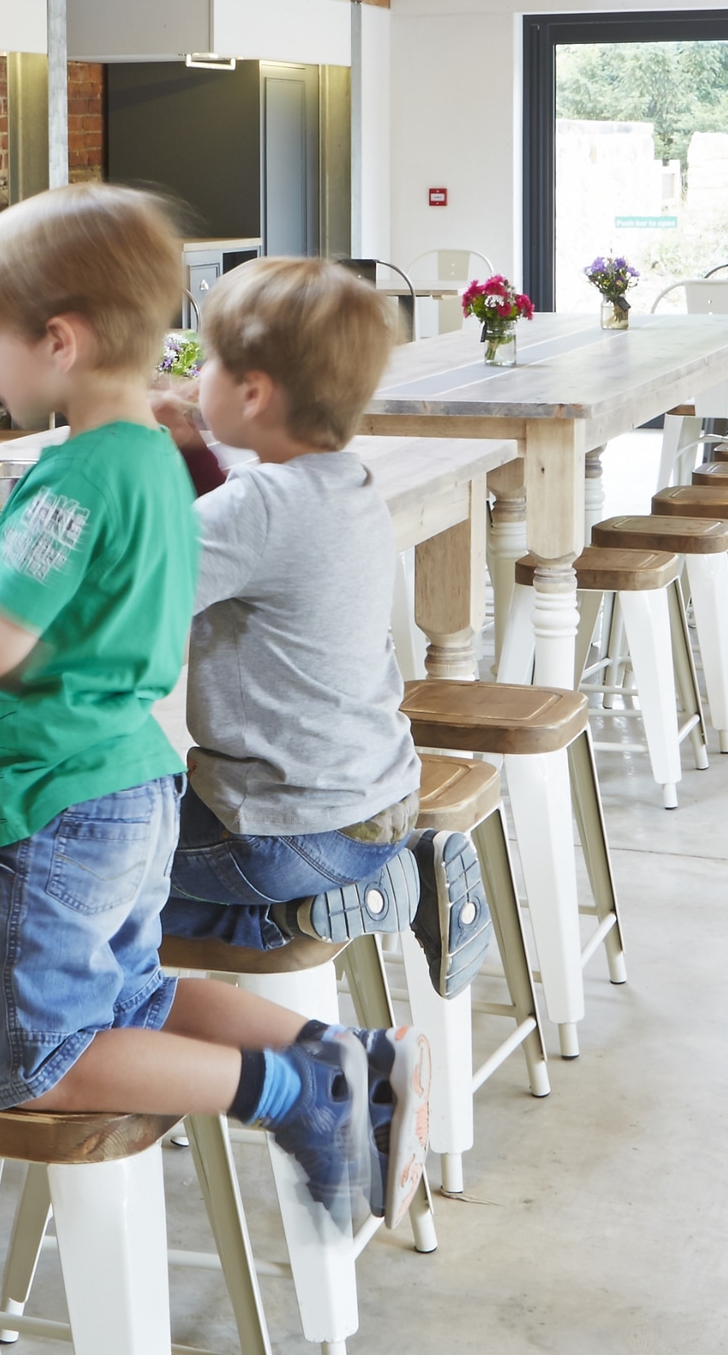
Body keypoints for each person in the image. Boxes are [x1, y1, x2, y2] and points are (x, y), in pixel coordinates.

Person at [0, 187, 423, 1231]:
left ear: (57, 340)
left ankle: (293, 1096)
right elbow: (73, 611)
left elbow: (7, 646)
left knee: (41, 1064)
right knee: (133, 995)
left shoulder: (69, 477)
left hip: (63, 797)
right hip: (137, 780)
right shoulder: (155, 456)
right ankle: (336, 1055)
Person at [153, 259, 488, 995]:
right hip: (377, 802)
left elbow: (132, 597)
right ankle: (396, 871)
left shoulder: (258, 509)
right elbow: (237, 531)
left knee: (81, 872)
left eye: (208, 361)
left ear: (253, 392)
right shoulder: (344, 482)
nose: (193, 375)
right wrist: (186, 445)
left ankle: (299, 921)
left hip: (280, 835)